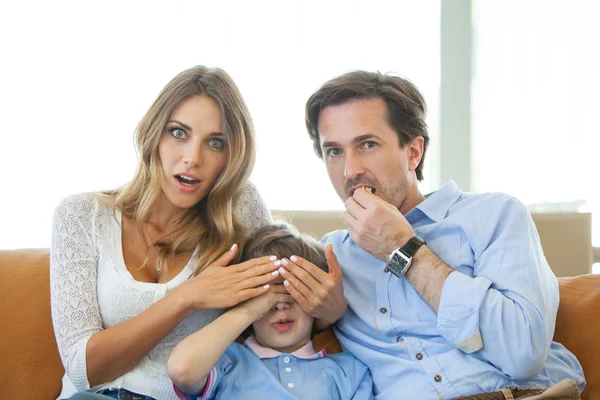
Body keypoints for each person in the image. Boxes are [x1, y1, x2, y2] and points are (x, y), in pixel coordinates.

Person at [275, 70, 586, 399]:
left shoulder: (494, 215)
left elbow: (523, 354)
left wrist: (403, 248)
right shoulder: (331, 256)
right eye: (334, 151)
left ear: (413, 152)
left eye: (367, 144)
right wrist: (327, 317)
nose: (350, 171)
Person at [50, 66, 281, 400]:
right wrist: (187, 297)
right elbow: (83, 370)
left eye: (215, 143)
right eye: (178, 133)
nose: (192, 158)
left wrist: (330, 309)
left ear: (232, 156)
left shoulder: (240, 209)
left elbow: (281, 303)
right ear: (153, 134)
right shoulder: (81, 215)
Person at [167, 222, 374, 400]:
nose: (280, 304)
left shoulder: (349, 371)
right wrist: (249, 310)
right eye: (267, 293)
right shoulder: (226, 361)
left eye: (294, 290)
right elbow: (182, 370)